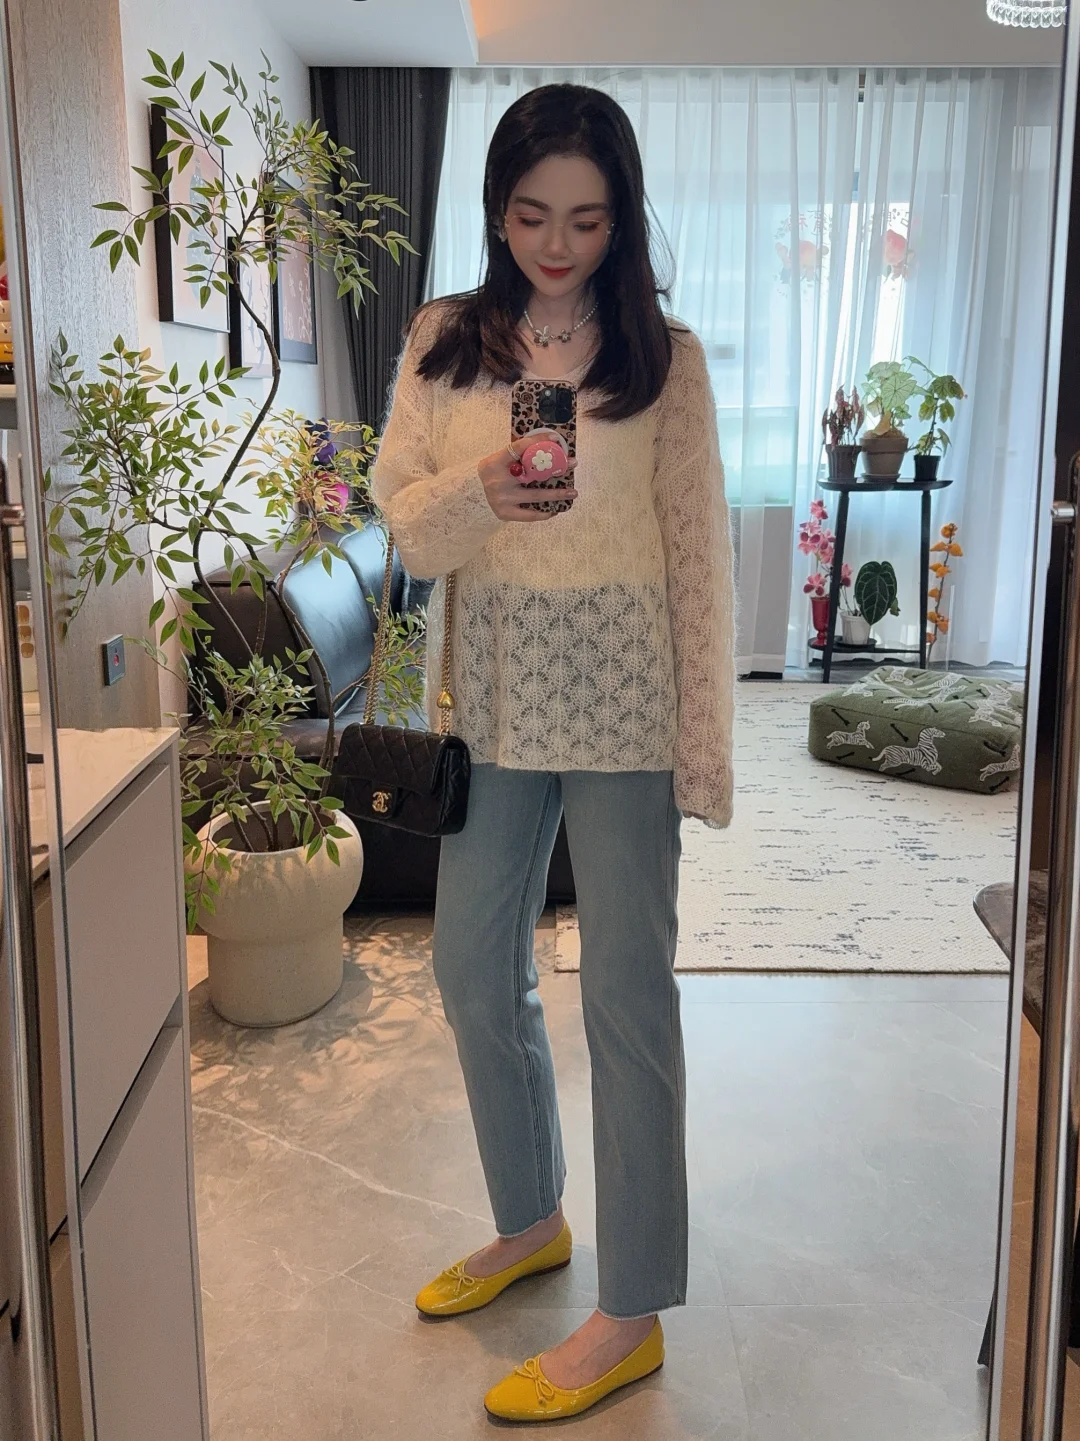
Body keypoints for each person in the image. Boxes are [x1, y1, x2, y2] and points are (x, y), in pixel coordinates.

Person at [372, 83, 736, 1424]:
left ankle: (631, 1310)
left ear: (622, 218)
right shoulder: (444, 340)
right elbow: (403, 527)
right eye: (532, 216)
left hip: (629, 703)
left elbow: (699, 558)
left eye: (588, 219)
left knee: (628, 1000)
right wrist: (483, 492)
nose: (559, 245)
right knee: (475, 972)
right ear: (496, 210)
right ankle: (530, 1220)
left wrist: (704, 748)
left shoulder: (665, 359)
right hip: (494, 698)